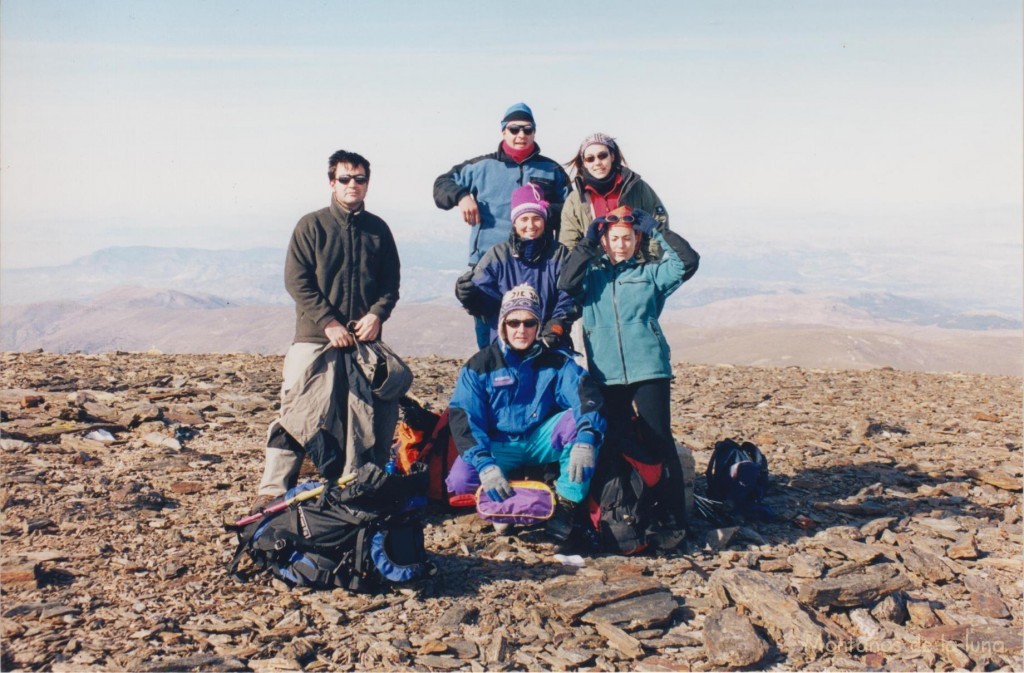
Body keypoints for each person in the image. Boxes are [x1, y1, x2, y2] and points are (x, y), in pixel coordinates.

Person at [250, 149, 402, 513]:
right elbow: (297, 280)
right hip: (315, 339)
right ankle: (272, 491)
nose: (353, 185)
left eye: (360, 179)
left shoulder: (378, 229)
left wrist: (378, 314)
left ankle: (361, 485)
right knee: (297, 411)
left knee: (370, 413)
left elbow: (390, 284)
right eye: (345, 179)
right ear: (332, 182)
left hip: (364, 341)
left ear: (368, 183)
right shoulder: (311, 225)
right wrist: (328, 322)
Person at [558, 206, 699, 547]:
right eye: (614, 239)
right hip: (606, 372)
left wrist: (658, 231)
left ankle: (673, 519)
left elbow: (687, 262)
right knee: (614, 440)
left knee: (659, 439)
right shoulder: (592, 277)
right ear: (604, 242)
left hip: (649, 368)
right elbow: (566, 282)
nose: (620, 245)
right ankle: (626, 510)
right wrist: (586, 245)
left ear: (637, 240)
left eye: (627, 238)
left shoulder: (650, 275)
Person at [445, 284, 607, 542]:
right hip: (498, 444)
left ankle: (566, 503)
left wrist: (587, 438)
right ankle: (500, 504)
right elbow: (465, 417)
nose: (521, 329)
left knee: (580, 428)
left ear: (538, 325)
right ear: (503, 325)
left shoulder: (556, 361)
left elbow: (586, 398)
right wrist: (485, 464)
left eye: (530, 322)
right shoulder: (479, 366)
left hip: (538, 440)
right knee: (461, 481)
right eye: (514, 322)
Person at [433, 102, 571, 348]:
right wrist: (461, 195)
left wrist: (544, 211)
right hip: (490, 266)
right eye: (514, 129)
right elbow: (442, 184)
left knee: (536, 335)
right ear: (503, 131)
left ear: (534, 132)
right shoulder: (480, 167)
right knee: (492, 343)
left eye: (527, 130)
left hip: (538, 266)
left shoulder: (552, 170)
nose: (521, 135)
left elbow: (571, 211)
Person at [455, 183, 577, 348]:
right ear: (514, 222)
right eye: (524, 219)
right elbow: (485, 304)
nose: (531, 225)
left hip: (549, 345)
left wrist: (556, 327)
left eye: (536, 218)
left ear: (544, 220)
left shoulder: (559, 254)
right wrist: (469, 294)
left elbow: (569, 297)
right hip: (505, 347)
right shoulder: (497, 255)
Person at [559, 133, 669, 260]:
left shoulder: (637, 188)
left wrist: (645, 264)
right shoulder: (576, 199)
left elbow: (658, 221)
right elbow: (569, 241)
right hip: (596, 274)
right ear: (584, 163)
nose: (597, 162)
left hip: (634, 271)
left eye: (602, 156)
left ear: (612, 156)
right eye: (590, 158)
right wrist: (582, 270)